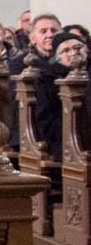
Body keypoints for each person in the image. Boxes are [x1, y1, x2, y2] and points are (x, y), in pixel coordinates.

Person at [34, 31, 89, 164]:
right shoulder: (48, 80)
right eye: (66, 50)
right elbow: (46, 121)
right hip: (68, 141)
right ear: (57, 58)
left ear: (87, 50)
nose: (73, 52)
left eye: (78, 47)